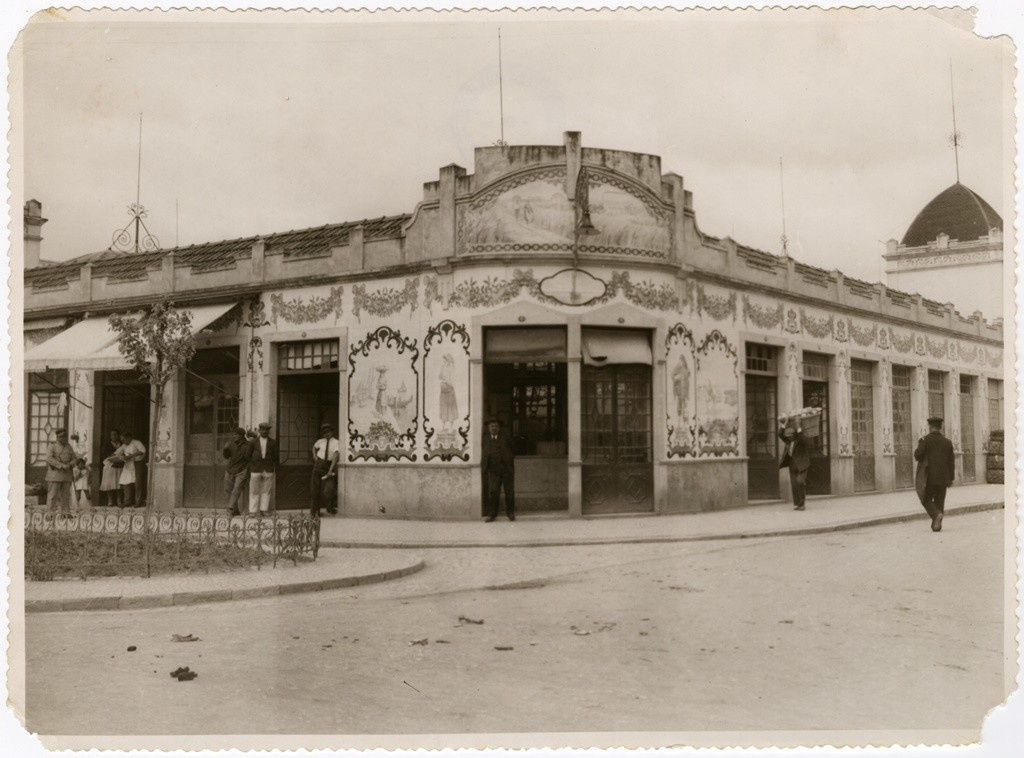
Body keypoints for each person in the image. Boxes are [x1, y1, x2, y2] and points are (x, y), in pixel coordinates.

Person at [914, 416, 956, 532]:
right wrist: (951, 478)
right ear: (940, 427)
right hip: (943, 478)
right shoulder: (948, 442)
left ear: (930, 426)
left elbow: (918, 455)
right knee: (940, 501)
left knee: (926, 499)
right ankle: (936, 526)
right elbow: (951, 462)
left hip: (929, 477)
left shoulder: (925, 440)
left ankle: (936, 515)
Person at [481, 417, 515, 522]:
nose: (494, 428)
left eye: (496, 426)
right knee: (493, 492)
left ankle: (510, 513)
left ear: (499, 427)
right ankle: (492, 514)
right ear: (488, 427)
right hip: (493, 470)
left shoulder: (506, 437)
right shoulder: (485, 439)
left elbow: (514, 449)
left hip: (506, 469)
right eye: (492, 426)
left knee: (509, 492)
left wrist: (508, 460)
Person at [778, 421, 811, 511]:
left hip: (802, 464)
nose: (789, 438)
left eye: (790, 436)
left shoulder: (800, 440)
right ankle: (797, 504)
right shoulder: (788, 441)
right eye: (788, 437)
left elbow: (804, 439)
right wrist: (783, 425)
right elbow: (780, 434)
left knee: (800, 482)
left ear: (794, 435)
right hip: (792, 464)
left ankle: (802, 504)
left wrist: (799, 428)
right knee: (794, 484)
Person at [248, 421, 279, 515]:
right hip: (255, 468)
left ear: (269, 431)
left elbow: (276, 456)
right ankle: (252, 511)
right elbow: (248, 455)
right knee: (254, 490)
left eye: (267, 430)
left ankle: (264, 510)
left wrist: (273, 466)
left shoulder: (273, 442)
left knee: (266, 490)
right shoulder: (253, 442)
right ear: (259, 430)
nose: (265, 431)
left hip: (268, 469)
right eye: (263, 429)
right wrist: (252, 465)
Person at [310, 423, 340, 517]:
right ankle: (314, 511)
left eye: (328, 432)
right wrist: (315, 457)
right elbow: (314, 447)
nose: (326, 434)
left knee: (329, 489)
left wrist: (331, 470)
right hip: (318, 465)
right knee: (315, 489)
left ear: (332, 432)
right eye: (324, 432)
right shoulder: (320, 441)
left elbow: (336, 455)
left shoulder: (336, 442)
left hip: (328, 466)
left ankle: (330, 507)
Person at [45, 428, 75, 516]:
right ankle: (50, 514)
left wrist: (70, 464)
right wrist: (61, 465)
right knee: (53, 495)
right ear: (57, 437)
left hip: (66, 475)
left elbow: (74, 458)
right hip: (55, 474)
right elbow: (49, 458)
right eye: (61, 437)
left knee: (66, 495)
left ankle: (65, 513)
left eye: (65, 436)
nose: (63, 438)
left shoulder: (69, 446)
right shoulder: (52, 446)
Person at [222, 427, 251, 516]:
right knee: (227, 490)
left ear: (241, 436)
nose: (234, 436)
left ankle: (230, 509)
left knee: (236, 490)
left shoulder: (248, 445)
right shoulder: (231, 444)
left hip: (241, 470)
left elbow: (248, 458)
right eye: (233, 434)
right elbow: (226, 456)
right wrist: (225, 449)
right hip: (230, 469)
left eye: (236, 434)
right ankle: (236, 510)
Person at [116, 431, 147, 508]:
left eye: (124, 440)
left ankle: (138, 501)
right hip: (129, 465)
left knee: (138, 483)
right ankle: (127, 501)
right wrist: (112, 457)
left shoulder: (136, 442)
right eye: (122, 440)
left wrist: (132, 456)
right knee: (126, 482)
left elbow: (142, 451)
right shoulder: (124, 445)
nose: (123, 442)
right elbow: (118, 452)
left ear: (128, 438)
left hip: (137, 464)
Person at [100, 428, 122, 507]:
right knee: (109, 483)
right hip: (109, 466)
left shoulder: (122, 444)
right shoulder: (107, 444)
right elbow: (104, 455)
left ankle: (119, 500)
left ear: (119, 436)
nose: (114, 436)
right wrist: (113, 457)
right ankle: (110, 500)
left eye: (115, 434)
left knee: (118, 483)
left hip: (119, 466)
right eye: (112, 435)